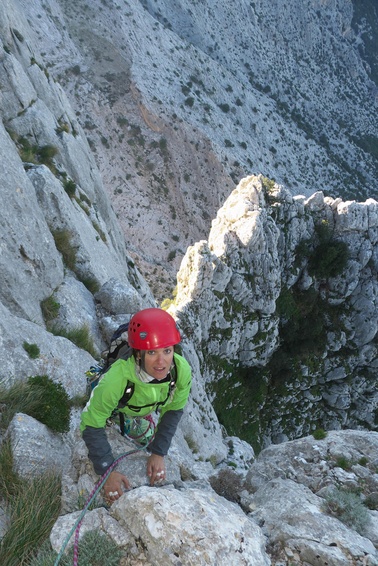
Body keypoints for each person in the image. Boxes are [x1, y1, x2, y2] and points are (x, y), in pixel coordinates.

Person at [80, 308, 192, 502]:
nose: (162, 362)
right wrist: (107, 470)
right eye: (151, 352)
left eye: (167, 351)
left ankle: (134, 419)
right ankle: (111, 409)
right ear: (138, 354)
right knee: (106, 419)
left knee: (148, 438)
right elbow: (91, 422)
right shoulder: (116, 379)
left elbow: (173, 411)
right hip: (115, 403)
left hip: (138, 405)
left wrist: (158, 452)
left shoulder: (181, 371)